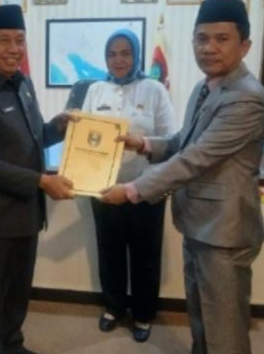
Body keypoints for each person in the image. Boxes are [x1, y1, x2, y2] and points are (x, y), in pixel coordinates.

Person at [101, 0, 264, 354]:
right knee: (202, 320)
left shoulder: (246, 97)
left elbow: (194, 158)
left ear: (245, 45)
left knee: (225, 331)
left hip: (224, 232)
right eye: (201, 38)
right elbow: (182, 141)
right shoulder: (205, 87)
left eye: (222, 39)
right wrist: (143, 143)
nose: (209, 48)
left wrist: (131, 190)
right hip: (199, 224)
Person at [0, 4, 75, 354]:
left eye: (19, 40)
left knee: (18, 291)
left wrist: (58, 127)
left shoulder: (23, 83)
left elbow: (33, 138)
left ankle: (12, 345)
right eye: (4, 40)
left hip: (25, 213)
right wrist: (43, 182)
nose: (13, 49)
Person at [81, 29, 175, 342]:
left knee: (145, 254)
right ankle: (114, 308)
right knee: (109, 250)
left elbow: (171, 141)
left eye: (125, 53)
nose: (118, 60)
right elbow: (85, 138)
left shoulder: (154, 90)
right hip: (104, 188)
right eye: (112, 54)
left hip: (146, 188)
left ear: (136, 55)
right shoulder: (95, 90)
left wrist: (142, 142)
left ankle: (144, 314)